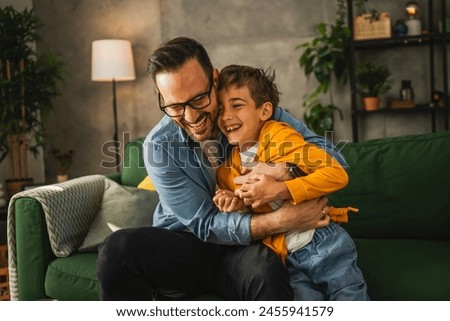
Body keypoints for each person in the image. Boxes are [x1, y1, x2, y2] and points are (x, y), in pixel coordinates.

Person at [96, 36, 347, 301]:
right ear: (162, 98)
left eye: (199, 99)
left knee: (267, 271)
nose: (191, 117)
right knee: (117, 249)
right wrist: (282, 220)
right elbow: (204, 224)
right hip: (187, 244)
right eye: (175, 106)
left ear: (214, 79)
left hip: (246, 246)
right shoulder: (159, 147)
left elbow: (331, 157)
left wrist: (285, 171)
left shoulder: (247, 109)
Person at [213, 64, 369, 300]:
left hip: (321, 241)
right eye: (220, 109)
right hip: (285, 256)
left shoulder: (280, 136)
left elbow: (336, 173)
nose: (226, 116)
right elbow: (254, 213)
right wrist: (235, 203)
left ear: (264, 111)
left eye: (236, 105)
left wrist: (283, 189)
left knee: (349, 298)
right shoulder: (226, 171)